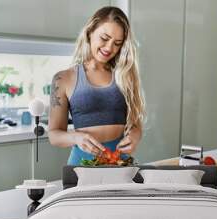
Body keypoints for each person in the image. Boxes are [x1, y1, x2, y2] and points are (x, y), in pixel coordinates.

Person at [48, 6, 145, 165]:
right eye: (105, 38)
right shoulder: (63, 78)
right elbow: (54, 134)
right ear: (90, 32)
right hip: (82, 164)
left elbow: (135, 124)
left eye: (117, 43)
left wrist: (135, 136)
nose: (109, 48)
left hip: (121, 163)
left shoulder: (125, 75)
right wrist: (76, 137)